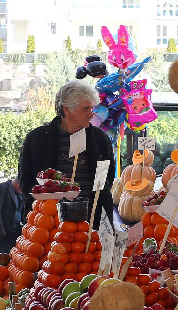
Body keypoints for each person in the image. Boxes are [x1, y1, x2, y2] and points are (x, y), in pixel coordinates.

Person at [18, 79, 116, 225]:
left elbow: (105, 179)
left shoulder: (99, 138)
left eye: (91, 109)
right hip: (48, 222)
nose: (91, 114)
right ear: (67, 109)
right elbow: (25, 182)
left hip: (92, 223)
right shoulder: (36, 139)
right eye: (85, 109)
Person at [0, 177, 24, 253]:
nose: (23, 191)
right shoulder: (3, 188)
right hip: (5, 232)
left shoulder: (21, 194)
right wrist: (0, 230)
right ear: (17, 184)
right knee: (5, 257)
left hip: (17, 232)